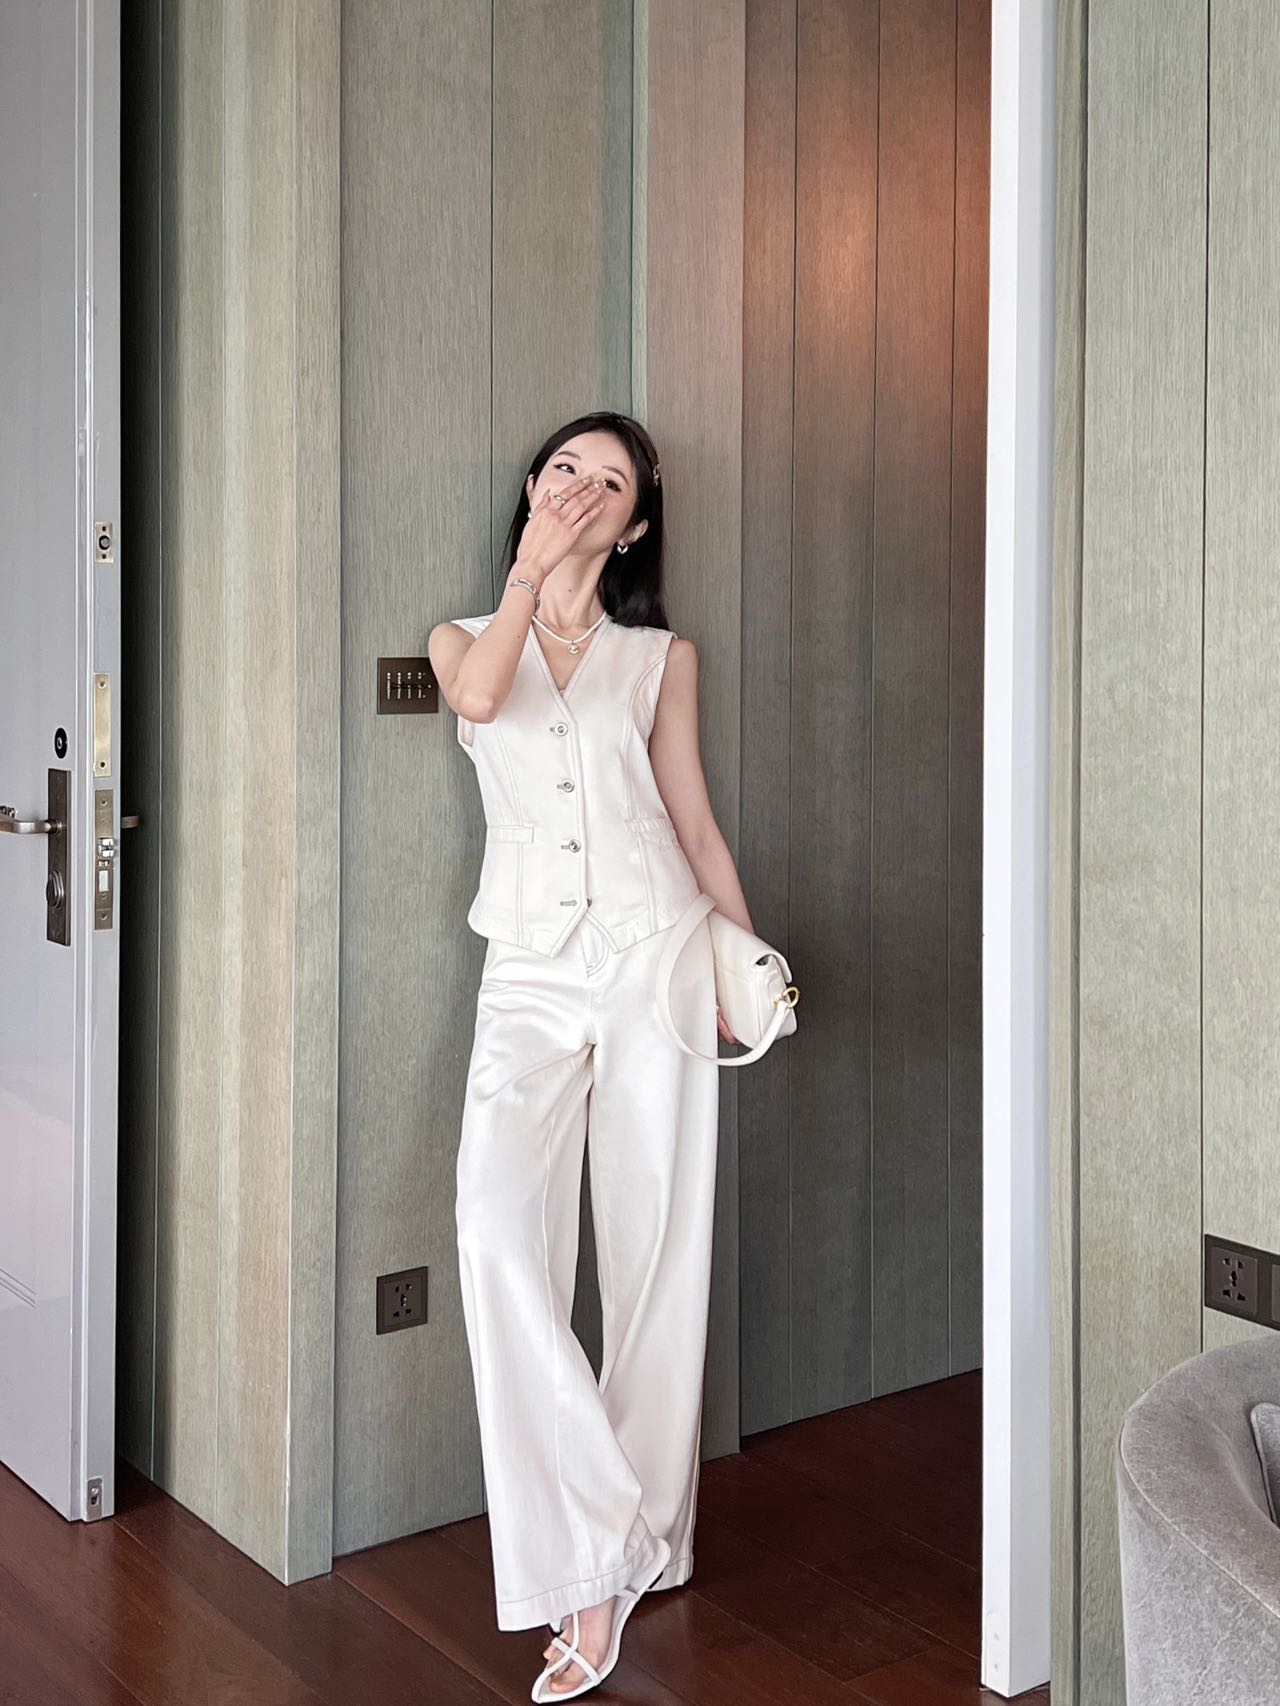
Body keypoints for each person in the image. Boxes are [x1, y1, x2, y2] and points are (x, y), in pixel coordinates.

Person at [428, 411, 755, 1700]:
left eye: (609, 483)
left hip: (657, 956)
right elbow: (479, 698)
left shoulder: (661, 658)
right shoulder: (465, 636)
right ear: (533, 485)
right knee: (496, 1232)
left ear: (633, 527)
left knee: (656, 1252)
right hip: (526, 969)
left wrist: (739, 964)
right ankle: (600, 1538)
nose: (581, 488)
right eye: (566, 467)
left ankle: (637, 1557)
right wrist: (527, 574)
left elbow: (694, 821)